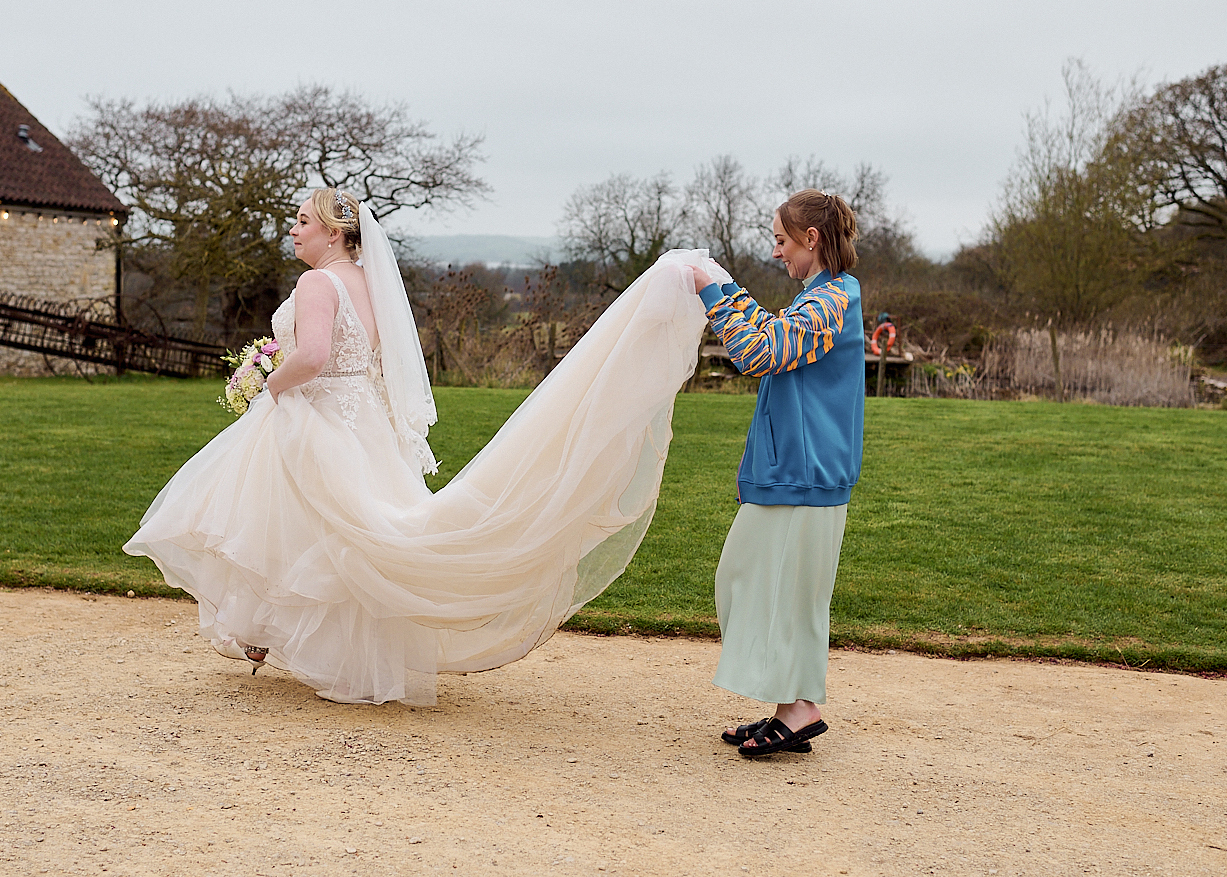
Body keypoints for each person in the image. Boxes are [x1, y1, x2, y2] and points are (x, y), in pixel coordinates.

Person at [126, 188, 727, 705]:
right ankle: (322, 651)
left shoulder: (315, 282)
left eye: (302, 221)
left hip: (318, 415)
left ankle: (270, 633)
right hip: (364, 423)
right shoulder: (368, 283)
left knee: (289, 525)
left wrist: (265, 384)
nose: (293, 229)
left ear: (334, 233)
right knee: (340, 535)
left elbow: (312, 357)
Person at [686, 189, 864, 758]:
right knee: (773, 589)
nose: (776, 251)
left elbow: (759, 351)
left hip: (806, 473)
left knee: (766, 587)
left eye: (782, 240)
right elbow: (771, 329)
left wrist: (711, 294)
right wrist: (727, 288)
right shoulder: (821, 297)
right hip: (796, 470)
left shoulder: (833, 300)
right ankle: (793, 705)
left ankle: (797, 710)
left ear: (812, 239)